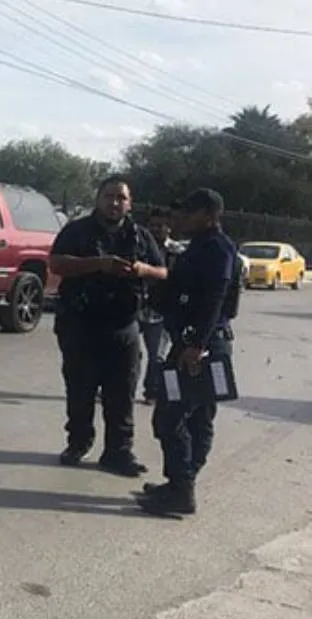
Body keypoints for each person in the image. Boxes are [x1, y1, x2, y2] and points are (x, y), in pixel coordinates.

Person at [48, 174, 169, 477]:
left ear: (130, 204)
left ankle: (118, 452)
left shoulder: (140, 236)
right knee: (80, 390)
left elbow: (163, 272)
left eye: (121, 198)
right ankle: (78, 443)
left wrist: (142, 269)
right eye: (109, 196)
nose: (114, 203)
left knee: (122, 393)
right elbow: (56, 263)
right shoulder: (77, 231)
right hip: (81, 324)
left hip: (124, 326)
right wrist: (98, 264)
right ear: (98, 199)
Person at [136, 188, 240, 516]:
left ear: (209, 215)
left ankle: (182, 488)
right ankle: (180, 484)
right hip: (191, 343)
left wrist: (196, 345)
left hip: (201, 348)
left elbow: (214, 298)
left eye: (189, 212)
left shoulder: (217, 248)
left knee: (172, 417)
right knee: (193, 417)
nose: (181, 218)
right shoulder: (199, 246)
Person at [139, 206, 185, 404]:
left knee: (157, 355)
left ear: (169, 227)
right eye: (151, 225)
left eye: (160, 226)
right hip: (136, 307)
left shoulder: (178, 252)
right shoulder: (138, 246)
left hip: (160, 311)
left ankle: (152, 391)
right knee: (126, 352)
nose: (155, 229)